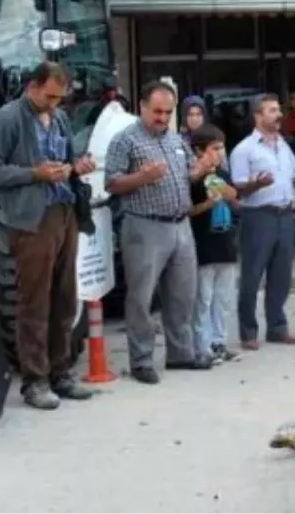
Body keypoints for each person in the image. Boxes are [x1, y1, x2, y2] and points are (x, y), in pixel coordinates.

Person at [0, 60, 96, 410]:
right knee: (34, 302)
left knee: (64, 298)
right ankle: (34, 380)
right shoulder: (8, 118)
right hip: (31, 220)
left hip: (64, 213)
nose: (54, 103)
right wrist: (35, 174)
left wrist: (79, 166)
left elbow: (66, 163)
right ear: (32, 86)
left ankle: (60, 372)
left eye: (60, 97)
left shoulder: (59, 117)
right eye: (49, 96)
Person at [105, 81, 221, 385]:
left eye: (168, 112)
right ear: (142, 107)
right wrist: (142, 177)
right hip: (145, 227)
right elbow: (112, 184)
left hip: (181, 225)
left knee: (183, 294)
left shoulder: (175, 140)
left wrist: (203, 168)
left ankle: (180, 353)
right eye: (157, 111)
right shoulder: (125, 140)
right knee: (141, 297)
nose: (162, 117)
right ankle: (141, 360)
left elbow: (188, 173)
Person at [231, 94, 295, 349]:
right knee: (252, 276)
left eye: (278, 110)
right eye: (272, 110)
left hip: (285, 215)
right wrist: (257, 183)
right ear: (258, 116)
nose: (278, 115)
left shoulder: (283, 145)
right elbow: (236, 189)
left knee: (281, 275)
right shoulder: (244, 150)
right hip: (258, 216)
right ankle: (248, 331)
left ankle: (277, 327)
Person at [188, 124, 242, 364]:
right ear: (199, 151)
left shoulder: (222, 174)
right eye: (214, 148)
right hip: (204, 245)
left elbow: (233, 197)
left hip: (225, 243)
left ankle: (220, 342)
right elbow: (187, 210)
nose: (220, 153)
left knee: (223, 298)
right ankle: (202, 346)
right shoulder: (191, 178)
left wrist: (228, 191)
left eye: (222, 148)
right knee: (203, 299)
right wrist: (206, 205)